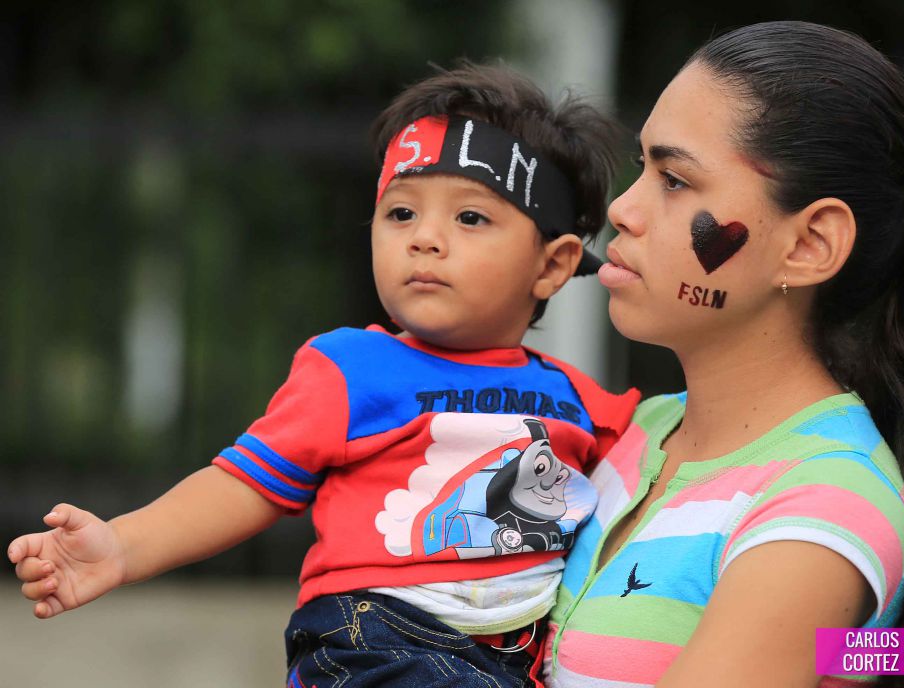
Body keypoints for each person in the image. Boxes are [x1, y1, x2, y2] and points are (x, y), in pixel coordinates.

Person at [7, 62, 640, 688]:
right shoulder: (351, 369)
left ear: (552, 266)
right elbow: (242, 485)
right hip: (378, 637)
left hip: (519, 654)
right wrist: (122, 546)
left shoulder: (581, 402)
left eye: (470, 218)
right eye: (400, 214)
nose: (425, 239)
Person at [544, 21, 904, 688]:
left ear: (808, 245)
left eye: (673, 179)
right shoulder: (632, 434)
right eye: (640, 167)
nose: (622, 208)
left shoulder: (820, 505)